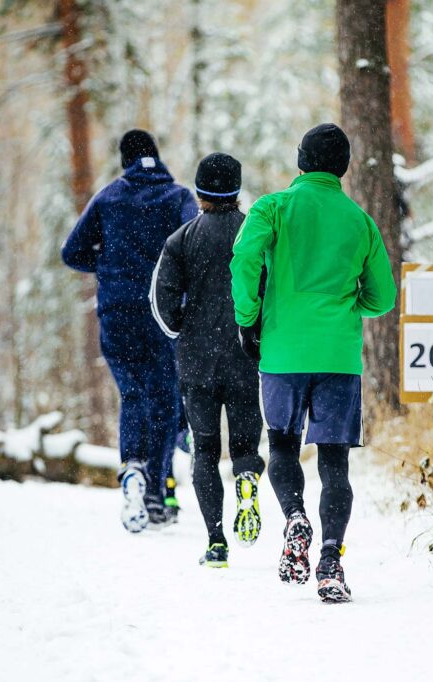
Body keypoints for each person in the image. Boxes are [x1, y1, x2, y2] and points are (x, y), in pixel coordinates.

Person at [229, 123, 397, 602]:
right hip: (338, 359)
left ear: (300, 161)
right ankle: (329, 559)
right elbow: (382, 298)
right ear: (343, 167)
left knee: (282, 447)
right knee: (335, 464)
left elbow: (243, 257)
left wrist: (248, 317)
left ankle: (295, 518)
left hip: (281, 353)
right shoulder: (360, 221)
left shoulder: (274, 208)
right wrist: (346, 305)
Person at [61, 129, 197, 533]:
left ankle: (133, 471)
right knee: (166, 400)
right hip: (163, 314)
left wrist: (107, 266)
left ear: (125, 161)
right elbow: (193, 245)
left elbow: (72, 252)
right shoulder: (178, 198)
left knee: (134, 394)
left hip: (118, 314)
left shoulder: (108, 197)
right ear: (157, 156)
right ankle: (156, 492)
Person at [150, 153, 265, 568]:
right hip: (245, 356)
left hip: (197, 359)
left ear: (199, 191)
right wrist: (256, 333)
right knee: (244, 443)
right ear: (236, 190)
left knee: (204, 449)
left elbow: (161, 302)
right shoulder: (254, 234)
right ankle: (248, 477)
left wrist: (183, 327)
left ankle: (216, 542)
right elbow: (269, 291)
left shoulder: (180, 239)